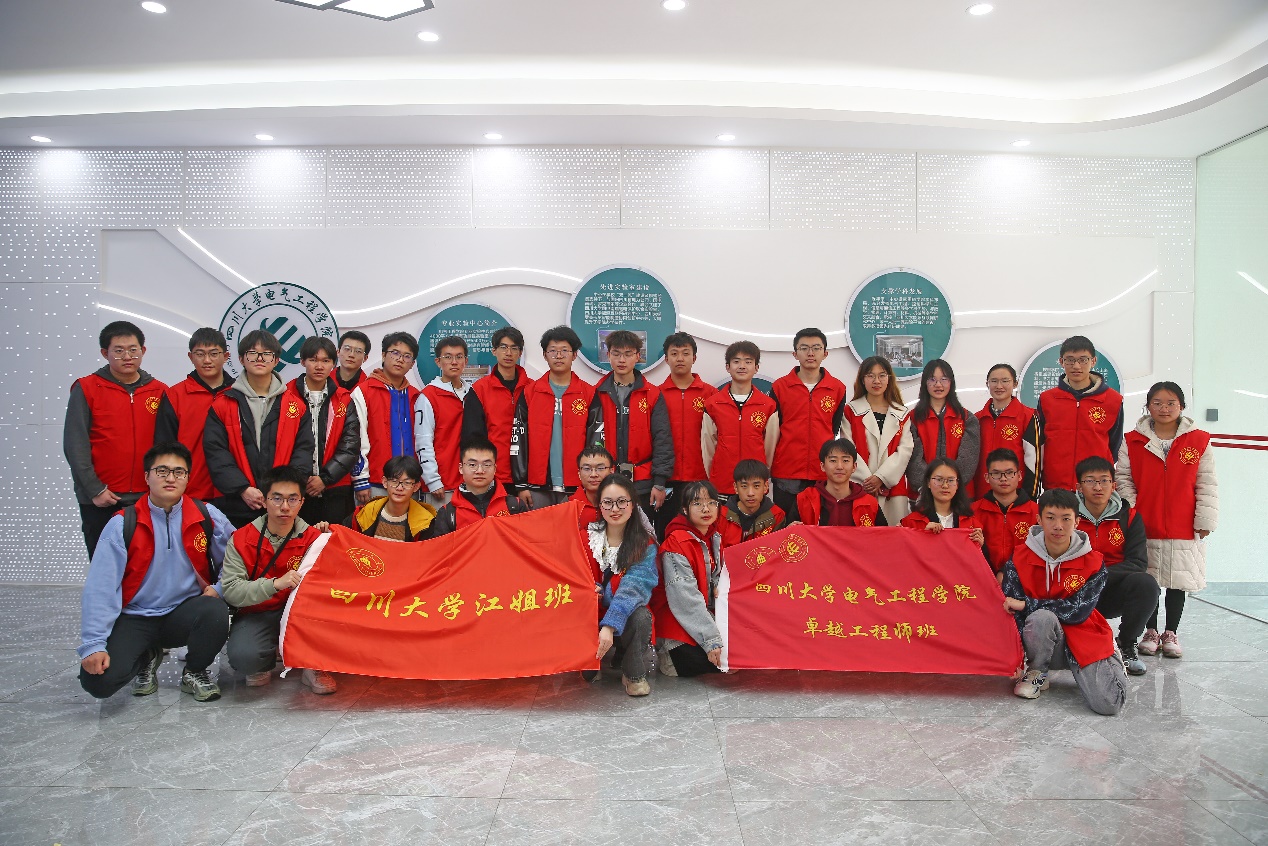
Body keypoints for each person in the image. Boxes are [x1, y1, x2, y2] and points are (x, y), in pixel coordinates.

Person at [78, 442, 233, 702]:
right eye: (162, 471)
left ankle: (195, 671)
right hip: (135, 617)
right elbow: (100, 588)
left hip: (184, 612)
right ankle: (146, 657)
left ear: (188, 477)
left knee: (214, 609)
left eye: (179, 472)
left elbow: (236, 561)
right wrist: (93, 645)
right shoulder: (122, 524)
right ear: (146, 477)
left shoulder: (207, 515)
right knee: (98, 683)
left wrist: (218, 588)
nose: (171, 478)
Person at [1115, 382, 1218, 661]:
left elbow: (1207, 483)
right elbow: (1123, 479)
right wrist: (1133, 511)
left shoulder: (1198, 440)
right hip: (1143, 524)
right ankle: (1150, 631)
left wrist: (1205, 518)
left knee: (1177, 581)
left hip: (1183, 522)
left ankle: (1171, 632)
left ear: (1181, 406)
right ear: (1148, 406)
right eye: (1157, 403)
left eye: (1171, 403)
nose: (1164, 408)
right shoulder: (1132, 440)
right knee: (1147, 580)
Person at [1002, 488, 1127, 715]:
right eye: (1050, 518)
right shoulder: (1019, 558)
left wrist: (1028, 604)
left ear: (1077, 521)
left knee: (1109, 705)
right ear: (1039, 519)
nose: (1058, 526)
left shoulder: (1094, 562)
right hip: (1040, 640)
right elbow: (1012, 612)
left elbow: (1078, 612)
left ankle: (1111, 655)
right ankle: (1037, 672)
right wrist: (1014, 658)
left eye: (1066, 519)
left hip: (1083, 634)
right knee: (1041, 618)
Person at [220, 466, 336, 694]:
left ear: (302, 502)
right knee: (245, 658)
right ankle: (265, 658)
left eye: (292, 499)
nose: (285, 507)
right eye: (277, 498)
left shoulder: (315, 538)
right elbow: (231, 591)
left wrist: (329, 539)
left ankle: (312, 665)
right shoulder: (241, 539)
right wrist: (275, 584)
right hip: (259, 611)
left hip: (303, 614)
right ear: (264, 501)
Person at [65, 320, 169, 557]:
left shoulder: (159, 391)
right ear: (105, 353)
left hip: (147, 498)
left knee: (147, 565)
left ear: (143, 350)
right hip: (102, 498)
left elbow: (167, 447)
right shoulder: (87, 388)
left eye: (133, 350)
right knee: (105, 564)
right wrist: (94, 489)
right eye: (119, 351)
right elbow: (75, 445)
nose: (127, 357)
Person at [203, 330, 315, 528]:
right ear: (241, 359)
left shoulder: (296, 407)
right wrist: (242, 488)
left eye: (267, 354)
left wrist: (281, 493)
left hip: (282, 507)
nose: (260, 359)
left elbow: (303, 451)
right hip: (236, 505)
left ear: (277, 360)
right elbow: (216, 452)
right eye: (253, 353)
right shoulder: (223, 405)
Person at [1074, 456, 1155, 676]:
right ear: (1079, 487)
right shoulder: (1068, 516)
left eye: (1104, 480)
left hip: (1113, 588)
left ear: (1114, 485)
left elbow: (1138, 563)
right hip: (1076, 588)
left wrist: (1098, 574)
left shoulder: (1129, 517)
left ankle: (1126, 644)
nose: (1098, 487)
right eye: (1090, 481)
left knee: (1146, 584)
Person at [586, 474, 659, 697]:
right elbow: (573, 575)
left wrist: (609, 625)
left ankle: (633, 673)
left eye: (622, 502)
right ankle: (589, 662)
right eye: (608, 502)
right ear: (599, 505)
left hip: (624, 612)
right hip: (589, 611)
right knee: (588, 675)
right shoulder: (585, 538)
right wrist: (590, 589)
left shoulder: (644, 544)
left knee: (641, 616)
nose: (615, 509)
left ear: (633, 504)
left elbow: (635, 587)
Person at [511, 326, 600, 508]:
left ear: (574, 355)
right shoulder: (530, 393)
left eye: (564, 351)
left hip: (578, 486)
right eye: (552, 351)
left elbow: (596, 440)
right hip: (537, 487)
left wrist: (592, 481)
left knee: (576, 527)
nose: (558, 356)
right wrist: (521, 484)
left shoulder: (588, 393)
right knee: (540, 527)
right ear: (544, 355)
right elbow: (518, 439)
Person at [592, 330, 674, 518]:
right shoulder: (596, 393)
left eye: (628, 354)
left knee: (642, 533)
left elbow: (663, 439)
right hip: (606, 479)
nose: (622, 360)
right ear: (608, 355)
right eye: (616, 353)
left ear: (638, 356)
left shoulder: (652, 395)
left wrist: (659, 483)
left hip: (643, 482)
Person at [650, 481, 727, 677]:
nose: (706, 509)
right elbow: (685, 599)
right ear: (685, 509)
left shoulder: (714, 536)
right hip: (677, 621)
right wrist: (711, 640)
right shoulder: (676, 543)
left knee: (738, 655)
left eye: (711, 503)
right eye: (697, 503)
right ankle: (668, 658)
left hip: (704, 615)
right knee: (723, 661)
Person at [282, 336, 360, 528]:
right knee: (297, 541)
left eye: (325, 361)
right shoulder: (285, 395)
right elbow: (280, 444)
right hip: (294, 490)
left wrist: (324, 479)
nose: (319, 366)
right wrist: (301, 480)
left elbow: (350, 445)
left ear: (333, 364)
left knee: (332, 541)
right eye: (313, 360)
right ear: (302, 361)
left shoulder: (344, 399)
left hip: (335, 488)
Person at [768, 328, 847, 517]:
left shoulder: (837, 388)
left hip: (822, 471)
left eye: (816, 348)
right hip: (787, 471)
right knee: (786, 527)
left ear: (825, 353)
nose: (810, 353)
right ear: (795, 354)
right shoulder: (780, 387)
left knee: (819, 527)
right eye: (804, 348)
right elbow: (773, 431)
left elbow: (834, 428)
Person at [154, 327, 233, 503]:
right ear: (190, 357)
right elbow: (164, 448)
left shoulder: (239, 393)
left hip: (235, 492)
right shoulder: (175, 395)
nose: (207, 360)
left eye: (214, 354)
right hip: (190, 492)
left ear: (226, 356)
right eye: (200, 354)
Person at [1036, 335, 1125, 492]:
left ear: (1093, 361)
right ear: (1061, 362)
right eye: (1070, 360)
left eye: (1083, 360)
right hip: (1056, 484)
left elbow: (1115, 444)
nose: (1076, 366)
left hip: (1095, 487)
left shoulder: (1113, 400)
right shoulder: (1047, 399)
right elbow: (1040, 442)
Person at [842, 356, 914, 527]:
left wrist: (881, 477)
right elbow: (848, 450)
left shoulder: (902, 413)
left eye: (882, 375)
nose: (876, 381)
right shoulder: (851, 410)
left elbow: (905, 450)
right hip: (861, 486)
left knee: (895, 535)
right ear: (862, 379)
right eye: (870, 375)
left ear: (889, 378)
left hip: (893, 489)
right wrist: (869, 481)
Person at [351, 332, 421, 505]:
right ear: (383, 355)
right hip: (374, 483)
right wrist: (360, 479)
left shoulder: (416, 396)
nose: (400, 359)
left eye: (407, 356)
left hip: (410, 484)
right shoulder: (364, 392)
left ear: (412, 364)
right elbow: (356, 438)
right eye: (395, 353)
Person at [657, 332, 717, 537]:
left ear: (694, 358)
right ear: (666, 359)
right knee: (667, 533)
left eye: (685, 353)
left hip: (701, 478)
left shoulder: (710, 394)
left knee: (701, 533)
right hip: (667, 480)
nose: (680, 358)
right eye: (674, 353)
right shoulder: (656, 394)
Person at [701, 341, 778, 497]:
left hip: (755, 485)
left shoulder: (768, 405)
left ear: (756, 367)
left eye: (748, 362)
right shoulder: (713, 404)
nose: (742, 366)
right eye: (736, 361)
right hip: (722, 482)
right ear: (728, 367)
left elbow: (770, 447)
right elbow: (708, 446)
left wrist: (763, 472)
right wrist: (714, 474)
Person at [463, 326, 531, 488]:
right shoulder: (479, 389)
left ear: (520, 353)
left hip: (528, 475)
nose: (509, 353)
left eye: (514, 348)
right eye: (503, 347)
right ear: (494, 351)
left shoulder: (532, 388)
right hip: (492, 474)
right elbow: (472, 437)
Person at [427, 437, 529, 538]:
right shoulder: (448, 513)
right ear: (461, 468)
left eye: (487, 465)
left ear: (495, 469)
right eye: (472, 465)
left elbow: (525, 542)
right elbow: (443, 547)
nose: (480, 471)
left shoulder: (515, 506)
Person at [906, 359, 980, 498]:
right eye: (932, 379)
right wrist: (929, 486)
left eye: (944, 379)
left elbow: (968, 459)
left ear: (951, 382)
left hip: (960, 495)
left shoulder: (967, 419)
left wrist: (951, 485)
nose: (938, 385)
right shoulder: (912, 419)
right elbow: (913, 458)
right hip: (922, 494)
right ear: (925, 383)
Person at [970, 364, 1039, 499]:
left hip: (1016, 495)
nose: (999, 386)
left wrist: (1028, 496)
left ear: (1015, 384)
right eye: (994, 381)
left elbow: (1034, 462)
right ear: (987, 384)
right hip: (982, 493)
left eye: (1005, 381)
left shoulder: (1028, 417)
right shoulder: (976, 419)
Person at [415, 335, 470, 507]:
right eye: (448, 357)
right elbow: (423, 441)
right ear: (438, 362)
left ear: (466, 361)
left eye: (459, 357)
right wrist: (432, 480)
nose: (454, 362)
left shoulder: (472, 394)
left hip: (470, 483)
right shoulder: (428, 396)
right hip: (441, 485)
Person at [973, 448, 1039, 580]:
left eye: (1009, 473)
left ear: (1019, 475)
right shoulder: (973, 511)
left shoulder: (1037, 512)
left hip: (1024, 580)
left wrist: (1006, 572)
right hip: (982, 578)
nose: (1003, 479)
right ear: (987, 477)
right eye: (996, 473)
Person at [793, 438, 886, 527]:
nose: (839, 466)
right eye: (833, 461)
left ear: (854, 467)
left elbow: (883, 535)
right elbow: (790, 534)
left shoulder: (869, 503)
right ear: (822, 466)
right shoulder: (805, 499)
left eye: (845, 461)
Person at [900, 459, 986, 549]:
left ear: (957, 484)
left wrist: (980, 547)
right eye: (939, 480)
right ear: (928, 483)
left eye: (951, 480)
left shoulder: (972, 523)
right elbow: (905, 554)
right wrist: (922, 537)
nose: (945, 485)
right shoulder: (911, 522)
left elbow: (980, 557)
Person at [351, 455, 437, 541]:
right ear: (385, 482)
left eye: (407, 483)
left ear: (416, 487)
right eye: (394, 481)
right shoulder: (365, 513)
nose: (399, 488)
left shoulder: (425, 521)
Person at [721, 458, 787, 543]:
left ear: (766, 487)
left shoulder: (776, 516)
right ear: (736, 487)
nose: (750, 493)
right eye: (744, 486)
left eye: (756, 486)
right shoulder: (721, 517)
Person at [571, 445, 616, 531]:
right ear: (579, 474)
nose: (593, 474)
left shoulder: (624, 504)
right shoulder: (568, 507)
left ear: (611, 472)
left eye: (600, 468)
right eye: (587, 469)